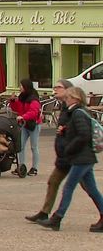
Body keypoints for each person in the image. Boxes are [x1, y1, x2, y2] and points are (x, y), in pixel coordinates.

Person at [38, 86, 103, 232]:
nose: (65, 100)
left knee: (68, 187)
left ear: (76, 98)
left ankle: (57, 218)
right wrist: (67, 130)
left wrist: (69, 148)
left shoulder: (78, 113)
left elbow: (83, 135)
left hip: (82, 157)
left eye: (68, 98)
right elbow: (80, 131)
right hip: (84, 157)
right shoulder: (77, 113)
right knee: (92, 189)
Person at [25, 79, 78, 222]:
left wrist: (65, 130)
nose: (54, 89)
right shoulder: (64, 107)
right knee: (53, 181)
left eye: (59, 87)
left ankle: (57, 217)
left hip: (77, 157)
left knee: (84, 188)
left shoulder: (75, 109)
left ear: (69, 90)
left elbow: (82, 131)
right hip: (65, 156)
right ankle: (44, 212)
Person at [9, 78, 42, 176]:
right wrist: (13, 101)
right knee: (20, 146)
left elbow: (34, 112)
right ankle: (21, 166)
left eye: (21, 86)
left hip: (34, 124)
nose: (20, 88)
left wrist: (23, 116)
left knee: (34, 146)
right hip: (24, 124)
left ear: (26, 87)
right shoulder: (22, 97)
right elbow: (17, 108)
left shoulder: (33, 99)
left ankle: (34, 168)